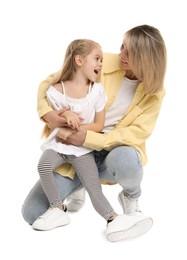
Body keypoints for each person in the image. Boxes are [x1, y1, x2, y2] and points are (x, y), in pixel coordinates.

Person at [22, 24, 167, 242]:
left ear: (146, 59)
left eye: (129, 52)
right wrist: (50, 116)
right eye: (122, 47)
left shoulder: (154, 94)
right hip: (74, 149)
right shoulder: (102, 62)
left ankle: (130, 197)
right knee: (32, 214)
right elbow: (49, 84)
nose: (121, 54)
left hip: (110, 155)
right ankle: (74, 189)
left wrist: (89, 137)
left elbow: (135, 135)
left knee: (127, 159)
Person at [31, 39, 121, 231]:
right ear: (79, 61)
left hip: (81, 149)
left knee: (93, 186)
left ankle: (112, 218)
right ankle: (57, 208)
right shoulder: (57, 90)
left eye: (102, 60)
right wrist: (66, 114)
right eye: (97, 59)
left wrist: (76, 129)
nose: (101, 64)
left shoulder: (96, 92)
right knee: (44, 166)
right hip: (59, 144)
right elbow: (52, 117)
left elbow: (98, 125)